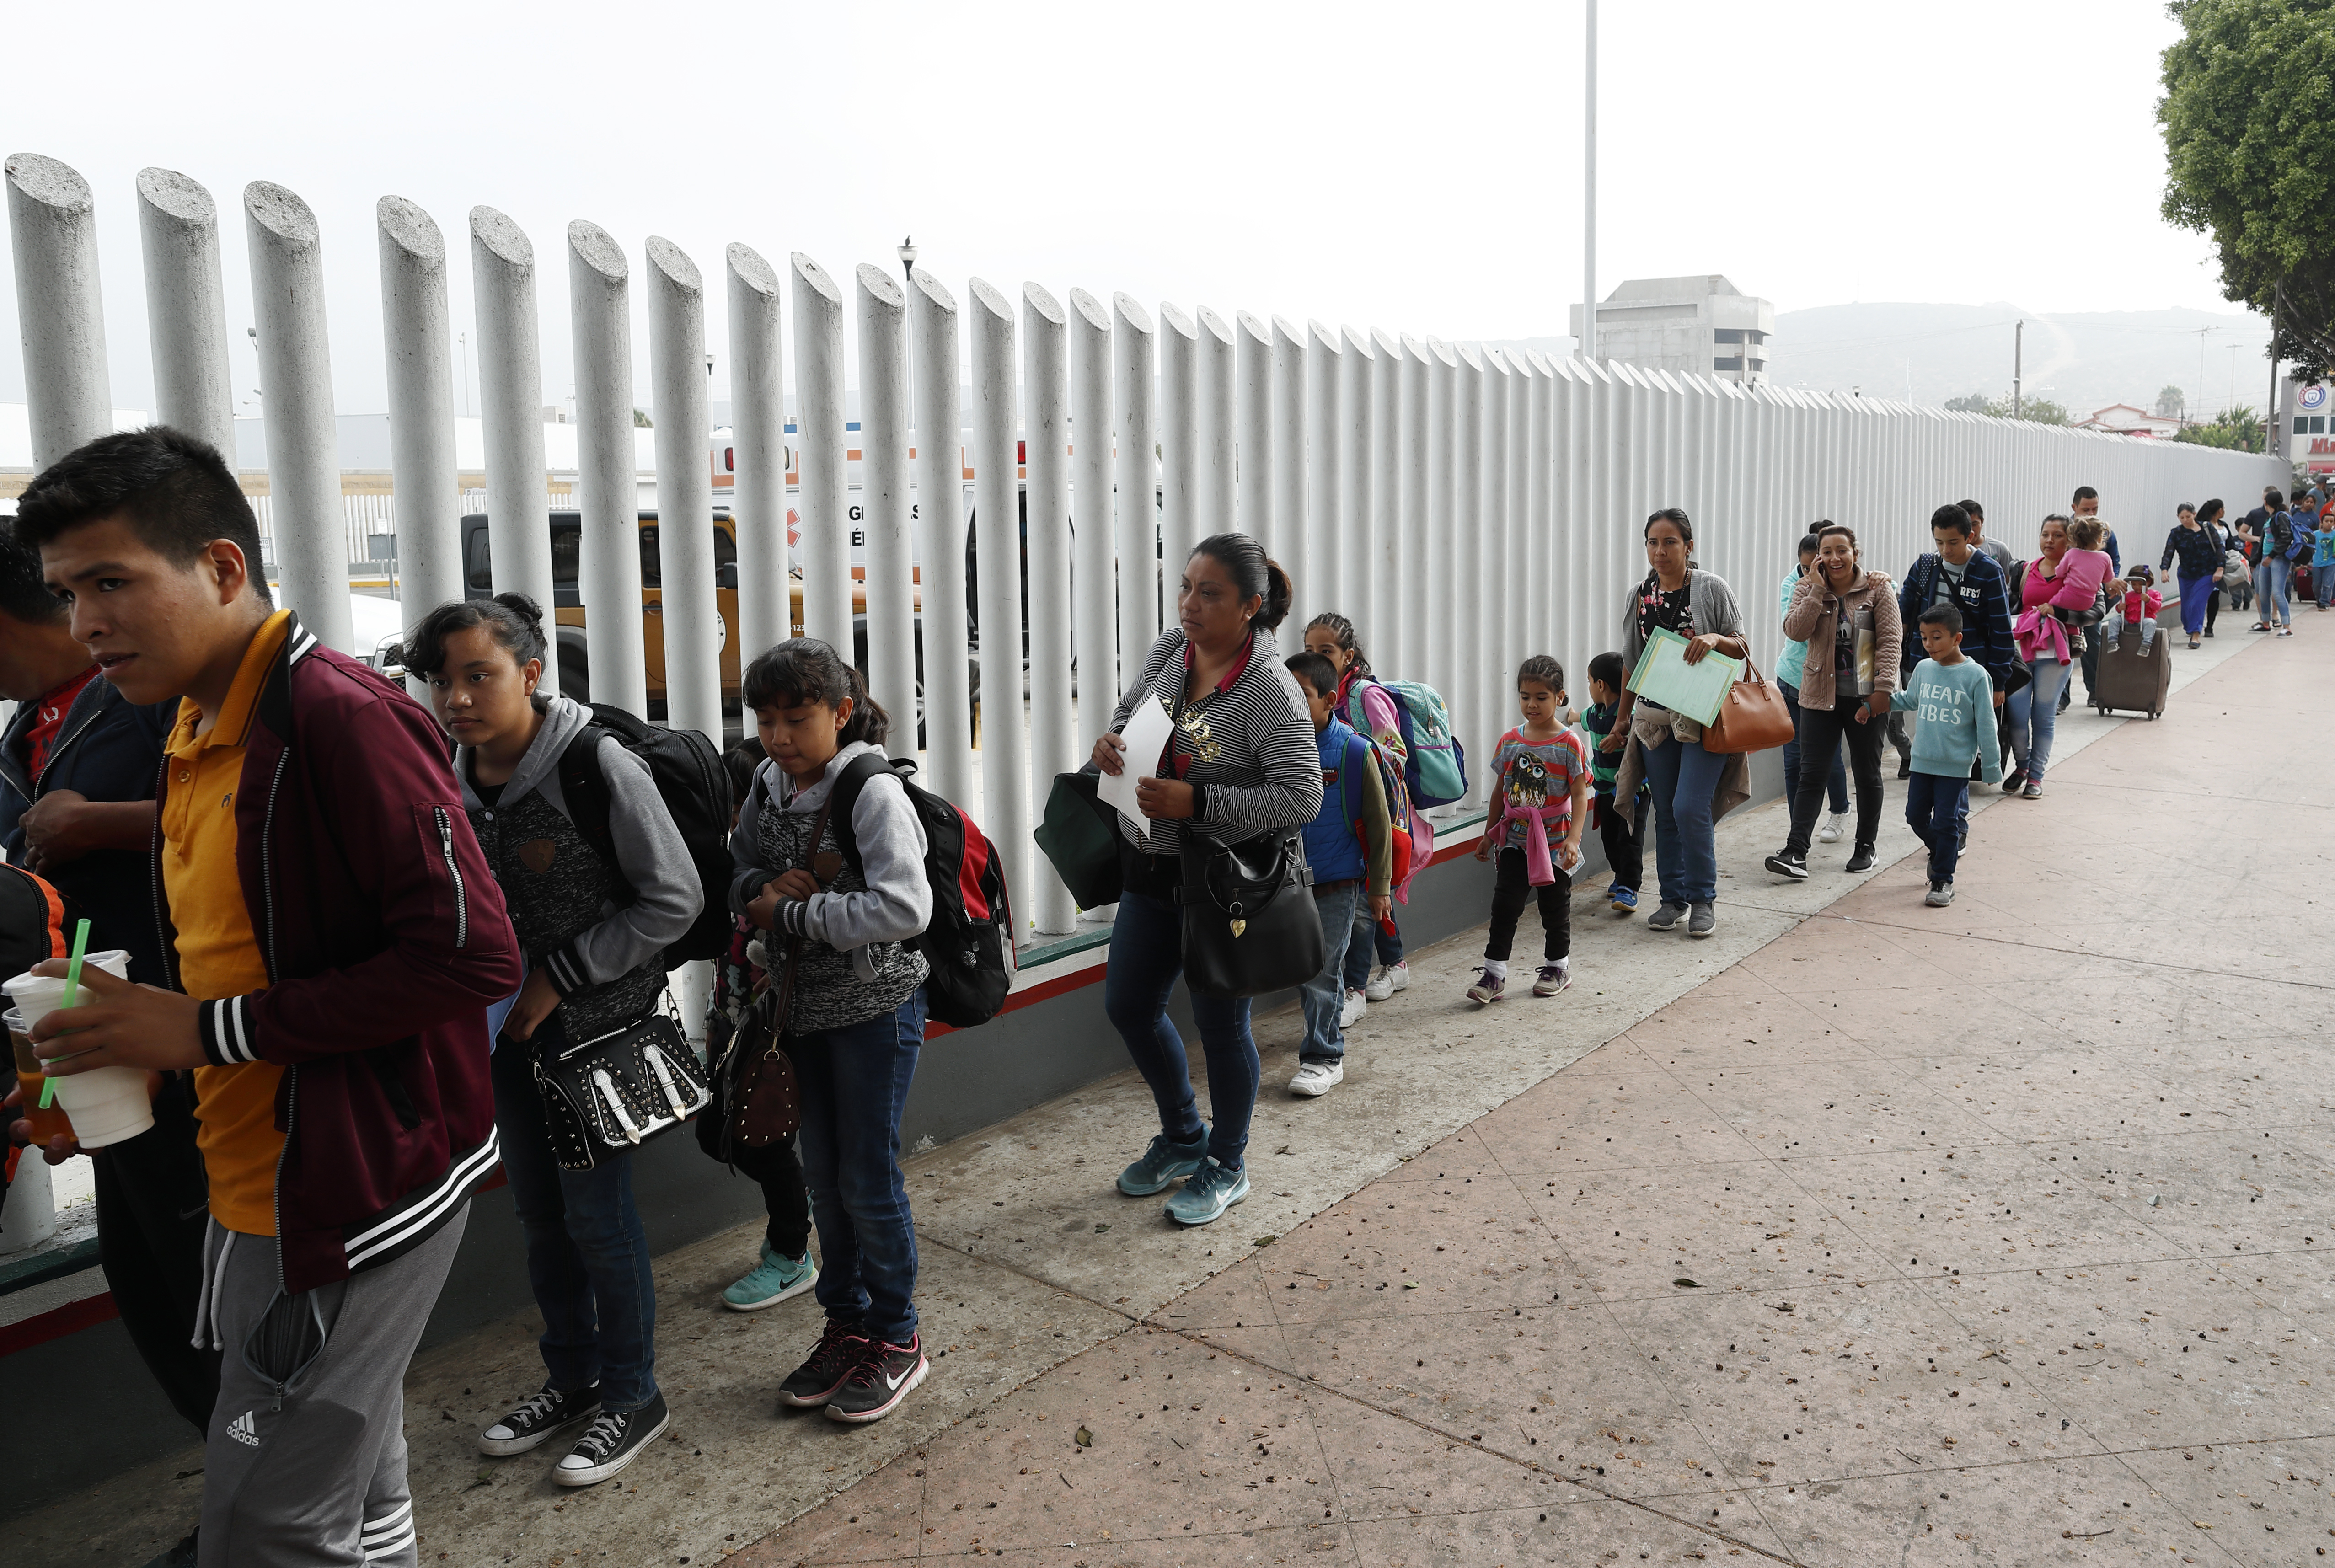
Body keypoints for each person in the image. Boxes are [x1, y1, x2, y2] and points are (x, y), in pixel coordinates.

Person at [17, 425, 520, 1568]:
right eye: (65, 592)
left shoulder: (340, 719)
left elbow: (470, 956)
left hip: (352, 1189)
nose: (86, 621)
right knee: (355, 1476)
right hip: (261, 1168)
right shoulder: (196, 725)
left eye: (112, 581)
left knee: (268, 1526)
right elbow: (244, 950)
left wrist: (195, 1029)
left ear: (223, 568)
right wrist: (127, 1041)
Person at [408, 594, 697, 1484]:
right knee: (540, 1218)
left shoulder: (593, 764)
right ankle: (571, 1378)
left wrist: (559, 976)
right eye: (442, 680)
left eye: (478, 675)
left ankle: (632, 1392)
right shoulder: (450, 775)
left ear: (531, 674)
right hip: (507, 1046)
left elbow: (673, 898)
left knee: (599, 1223)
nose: (457, 697)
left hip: (594, 1045)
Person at [1, 522, 215, 1568]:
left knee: (211, 1288)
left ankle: (290, 1506)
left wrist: (96, 824)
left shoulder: (147, 691)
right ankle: (252, 1490)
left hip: (186, 1045)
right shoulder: (32, 726)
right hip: (101, 1056)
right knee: (150, 1285)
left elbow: (231, 811)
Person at [729, 638, 934, 1424]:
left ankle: (897, 1334)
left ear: (841, 713)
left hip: (876, 1015)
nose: (779, 735)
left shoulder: (871, 792)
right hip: (800, 1014)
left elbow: (906, 908)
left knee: (868, 1181)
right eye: (766, 718)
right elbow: (739, 866)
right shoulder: (767, 781)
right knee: (823, 1178)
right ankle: (844, 1327)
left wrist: (796, 913)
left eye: (797, 717)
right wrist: (755, 890)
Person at [1091, 533, 1320, 1224]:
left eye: (1209, 592)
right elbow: (1130, 713)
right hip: (1151, 867)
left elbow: (1301, 796)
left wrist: (1200, 802)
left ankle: (1228, 1159)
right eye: (1186, 585)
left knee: (1222, 1026)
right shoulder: (1172, 648)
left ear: (1251, 607)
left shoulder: (1268, 691)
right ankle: (1183, 1135)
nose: (1189, 603)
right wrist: (1109, 741)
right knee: (1128, 1005)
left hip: (1225, 886)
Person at [704, 733, 816, 1314]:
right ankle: (796, 1211)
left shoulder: (790, 876)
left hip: (769, 1026)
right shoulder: (748, 872)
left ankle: (791, 1253)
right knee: (718, 1131)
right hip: (734, 1018)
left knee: (761, 1140)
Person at [1602, 508, 1750, 938]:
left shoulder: (1710, 589)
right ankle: (1673, 898)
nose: (1660, 551)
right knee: (1666, 810)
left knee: (1690, 807)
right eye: (1652, 542)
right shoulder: (1640, 595)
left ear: (1689, 545)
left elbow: (1742, 646)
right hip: (1654, 719)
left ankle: (1703, 898)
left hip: (1703, 717)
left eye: (1670, 542)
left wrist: (1714, 639)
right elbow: (1631, 662)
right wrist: (1622, 719)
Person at [1301, 613, 1426, 1007]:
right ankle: (1394, 962)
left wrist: (1357, 756)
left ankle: (1360, 983)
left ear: (1348, 654)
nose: (1317, 658)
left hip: (1374, 807)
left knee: (1371, 893)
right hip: (1338, 810)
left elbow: (1395, 752)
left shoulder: (1365, 696)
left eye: (1327, 651)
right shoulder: (1308, 691)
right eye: (1309, 651)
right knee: (1365, 899)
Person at [1282, 651, 1392, 1096]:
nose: (1291, 703)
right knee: (1304, 969)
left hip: (1339, 881)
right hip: (1285, 884)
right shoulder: (1276, 748)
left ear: (1329, 700)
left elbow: (1381, 824)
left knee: (1324, 969)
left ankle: (1324, 1058)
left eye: (1302, 695)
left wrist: (1380, 887)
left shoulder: (1353, 751)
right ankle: (1320, 1038)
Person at [1763, 524, 1899, 882]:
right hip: (1818, 696)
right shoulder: (1808, 587)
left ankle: (1865, 846)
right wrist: (1817, 591)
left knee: (1867, 772)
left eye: (1842, 550)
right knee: (1812, 773)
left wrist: (1882, 691)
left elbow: (1890, 642)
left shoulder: (1878, 589)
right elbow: (1794, 630)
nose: (1834, 558)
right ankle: (1796, 851)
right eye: (1827, 551)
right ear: (1818, 556)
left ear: (1856, 552)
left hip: (1864, 698)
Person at [1467, 655, 1588, 1003]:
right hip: (1515, 841)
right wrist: (1490, 835)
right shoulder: (1509, 742)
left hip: (1555, 844)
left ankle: (1557, 967)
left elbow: (1580, 794)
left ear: (1560, 697)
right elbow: (1499, 791)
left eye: (1541, 697)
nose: (1532, 704)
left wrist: (1574, 839)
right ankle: (1494, 974)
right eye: (1525, 696)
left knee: (1555, 907)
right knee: (1505, 904)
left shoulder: (1569, 744)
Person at [1896, 504, 2015, 849]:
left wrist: (1999, 681)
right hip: (1928, 667)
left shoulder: (1987, 571)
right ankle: (1945, 831)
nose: (1946, 550)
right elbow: (1905, 612)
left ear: (1971, 536)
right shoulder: (1926, 566)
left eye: (1953, 542)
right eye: (1939, 542)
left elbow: (2000, 629)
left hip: (1970, 674)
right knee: (1929, 738)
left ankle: (1954, 825)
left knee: (1961, 748)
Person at [1890, 604, 2001, 908]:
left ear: (1957, 638)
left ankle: (1943, 879)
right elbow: (1910, 699)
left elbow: (1987, 723)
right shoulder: (1925, 669)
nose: (1929, 645)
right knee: (1915, 816)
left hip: (1955, 767)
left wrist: (1991, 766)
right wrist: (1879, 701)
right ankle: (1942, 852)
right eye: (1925, 638)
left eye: (1936, 637)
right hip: (1923, 761)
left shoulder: (1976, 675)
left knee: (1946, 822)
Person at [1776, 530, 1851, 843]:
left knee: (1826, 755)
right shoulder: (1793, 584)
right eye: (1807, 568)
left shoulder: (1844, 585)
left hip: (1823, 683)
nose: (1813, 573)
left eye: (1818, 567)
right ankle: (1799, 830)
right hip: (1792, 679)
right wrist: (1814, 591)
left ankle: (1839, 809)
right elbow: (1796, 629)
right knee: (1794, 761)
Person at [2004, 514, 2086, 799]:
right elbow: (2011, 604)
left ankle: (2036, 776)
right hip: (2022, 646)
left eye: (2058, 535)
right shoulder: (2026, 569)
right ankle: (2023, 765)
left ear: (2070, 539)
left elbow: (2095, 610)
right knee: (2015, 713)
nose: (2050, 540)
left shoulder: (2079, 571)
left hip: (2057, 652)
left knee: (2043, 715)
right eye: (2045, 534)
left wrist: (2059, 613)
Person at [1579, 652, 1648, 916]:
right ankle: (1620, 877)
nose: (1588, 687)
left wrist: (1620, 738)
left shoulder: (1628, 716)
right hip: (1605, 790)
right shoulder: (1595, 714)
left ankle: (1630, 888)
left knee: (1629, 838)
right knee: (1609, 836)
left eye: (1589, 681)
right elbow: (1577, 717)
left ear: (1600, 685)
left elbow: (1637, 738)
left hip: (1633, 791)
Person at [2159, 502, 2225, 649]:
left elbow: (2220, 548)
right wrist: (2165, 570)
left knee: (2198, 603)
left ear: (2194, 515)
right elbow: (2168, 552)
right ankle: (2190, 627)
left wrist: (2220, 568)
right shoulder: (2176, 533)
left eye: (2188, 516)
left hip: (2208, 573)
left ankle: (2196, 635)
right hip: (2186, 574)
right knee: (2187, 605)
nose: (2185, 520)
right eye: (2182, 517)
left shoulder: (2207, 529)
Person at [2251, 490, 2298, 636]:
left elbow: (2285, 537)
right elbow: (2264, 541)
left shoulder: (2281, 516)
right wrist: (2257, 560)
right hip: (2266, 558)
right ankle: (2265, 623)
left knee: (2278, 592)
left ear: (2266, 502)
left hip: (2279, 559)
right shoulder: (2270, 518)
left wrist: (2271, 556)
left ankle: (2287, 627)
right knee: (2263, 592)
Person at [2099, 566, 2164, 655]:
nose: (2137, 587)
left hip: (2144, 619)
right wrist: (2120, 607)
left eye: (2140, 584)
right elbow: (2119, 610)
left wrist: (2149, 600)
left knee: (2150, 623)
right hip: (2128, 619)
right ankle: (2112, 642)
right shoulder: (2129, 595)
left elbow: (2158, 607)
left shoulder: (2154, 594)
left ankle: (2146, 645)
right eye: (2134, 584)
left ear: (2148, 582)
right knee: (2114, 620)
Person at [2201, 499, 2243, 629]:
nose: (2224, 511)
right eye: (2223, 508)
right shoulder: (2203, 526)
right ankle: (2196, 625)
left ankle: (2210, 626)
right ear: (2220, 510)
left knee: (2215, 596)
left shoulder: (2223, 525)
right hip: (2205, 564)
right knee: (2201, 597)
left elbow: (2230, 544)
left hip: (2220, 564)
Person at [1958, 499, 2016, 574]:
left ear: (1982, 522)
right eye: (1965, 525)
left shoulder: (1999, 549)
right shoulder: (1948, 551)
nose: (1970, 530)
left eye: (1975, 524)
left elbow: (2007, 581)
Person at [2315, 503, 2335, 610]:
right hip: (2317, 562)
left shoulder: (2334, 534)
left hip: (2331, 562)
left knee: (2328, 584)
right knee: (2316, 585)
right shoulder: (2315, 534)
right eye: (2327, 521)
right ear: (2322, 522)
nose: (2329, 524)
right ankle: (2319, 600)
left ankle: (2325, 602)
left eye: (2331, 522)